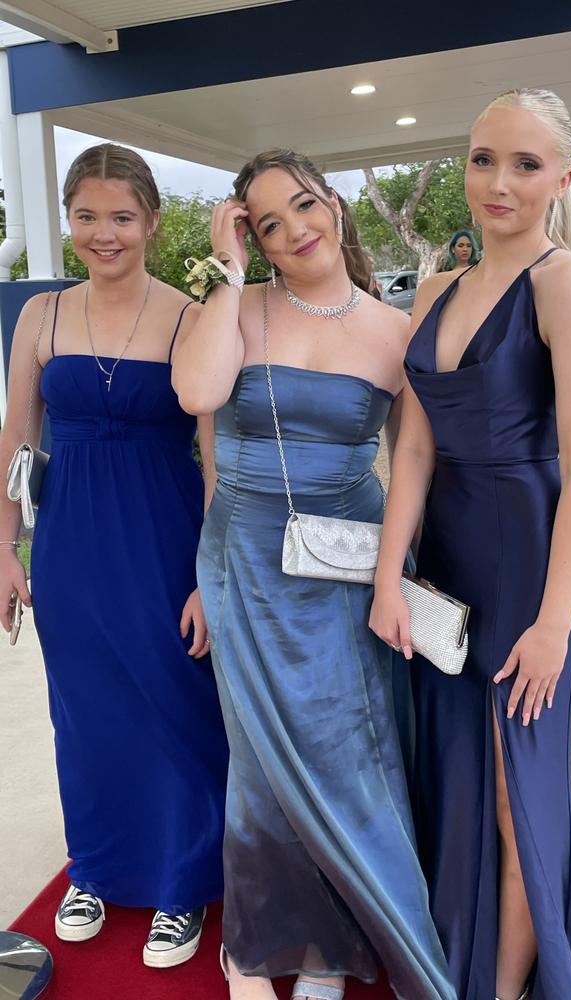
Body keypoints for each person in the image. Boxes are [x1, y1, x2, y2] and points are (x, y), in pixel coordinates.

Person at [370, 88, 571, 1000]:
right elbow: (412, 443)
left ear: (561, 178)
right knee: (454, 775)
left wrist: (555, 624)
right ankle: (472, 952)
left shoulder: (565, 282)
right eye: (485, 158)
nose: (499, 182)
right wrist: (387, 574)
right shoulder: (442, 286)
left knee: (515, 792)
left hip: (534, 565)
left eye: (526, 164)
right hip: (447, 563)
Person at [172, 149, 455, 1000]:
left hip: (350, 561)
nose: (296, 230)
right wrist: (225, 278)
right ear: (251, 239)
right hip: (244, 561)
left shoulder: (394, 328)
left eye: (304, 206)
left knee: (345, 755)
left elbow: (411, 457)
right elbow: (199, 400)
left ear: (333, 203)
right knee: (259, 764)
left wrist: (390, 580)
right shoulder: (236, 307)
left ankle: (330, 951)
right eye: (268, 223)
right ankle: (259, 946)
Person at [0, 143, 229, 968]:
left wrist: (210, 573)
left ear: (152, 221)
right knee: (85, 711)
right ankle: (94, 866)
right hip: (69, 543)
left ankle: (182, 883)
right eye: (87, 217)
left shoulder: (188, 316)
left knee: (177, 704)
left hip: (164, 538)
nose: (104, 234)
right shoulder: (41, 317)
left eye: (121, 217)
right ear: (69, 221)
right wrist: (5, 549)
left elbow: (215, 460)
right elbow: (16, 436)